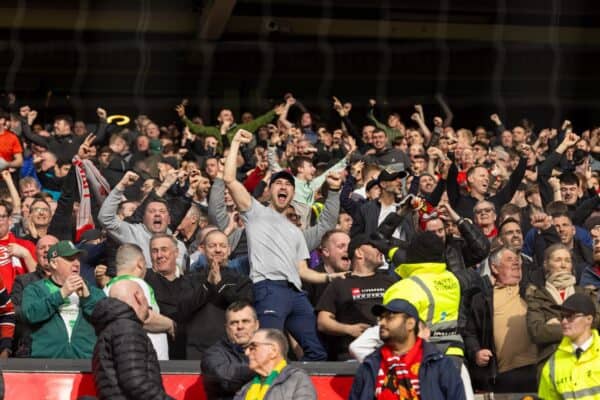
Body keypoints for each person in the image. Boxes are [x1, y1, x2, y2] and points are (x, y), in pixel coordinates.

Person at [223, 129, 346, 361]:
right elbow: (229, 179)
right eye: (278, 183)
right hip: (268, 288)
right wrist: (236, 142)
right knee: (267, 348)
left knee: (317, 352)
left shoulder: (295, 231)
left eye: (288, 185)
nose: (284, 187)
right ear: (269, 190)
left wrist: (331, 278)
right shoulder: (255, 211)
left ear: (292, 193)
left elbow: (302, 271)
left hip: (296, 293)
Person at [348, 299, 465, 400]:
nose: (382, 323)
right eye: (381, 318)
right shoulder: (370, 365)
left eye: (389, 317)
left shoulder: (440, 364)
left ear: (410, 324)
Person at [462, 247, 538, 392]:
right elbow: (470, 333)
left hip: (535, 368)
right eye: (510, 260)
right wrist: (476, 352)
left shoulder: (532, 292)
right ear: (494, 268)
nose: (516, 263)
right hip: (502, 374)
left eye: (517, 261)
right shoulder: (482, 299)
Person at [316, 233, 396, 360]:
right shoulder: (340, 283)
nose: (380, 249)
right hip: (352, 356)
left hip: (389, 353)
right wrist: (348, 329)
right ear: (359, 253)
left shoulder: (391, 281)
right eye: (374, 246)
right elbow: (323, 321)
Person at [21, 240, 105, 358]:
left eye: (78, 259)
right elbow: (29, 315)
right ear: (54, 263)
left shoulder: (93, 291)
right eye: (70, 259)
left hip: (86, 365)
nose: (76, 263)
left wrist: (88, 299)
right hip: (47, 365)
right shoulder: (35, 289)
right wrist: (61, 294)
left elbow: (106, 318)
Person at [92, 279, 173, 400]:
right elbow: (135, 382)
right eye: (147, 300)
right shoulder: (127, 328)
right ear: (138, 297)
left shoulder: (108, 330)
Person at [526, 243, 600, 375]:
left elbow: (596, 321)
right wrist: (579, 324)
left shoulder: (586, 293)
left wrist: (556, 326)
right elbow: (536, 332)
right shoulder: (536, 297)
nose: (563, 265)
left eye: (567, 260)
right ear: (546, 264)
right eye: (558, 260)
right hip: (551, 363)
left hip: (587, 360)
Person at [178, 230, 253, 359]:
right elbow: (184, 308)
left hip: (233, 348)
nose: (218, 250)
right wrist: (208, 284)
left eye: (222, 246)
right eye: (212, 246)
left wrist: (220, 284)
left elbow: (243, 307)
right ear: (202, 249)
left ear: (229, 250)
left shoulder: (241, 280)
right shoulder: (190, 279)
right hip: (197, 349)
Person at [98, 171, 188, 269]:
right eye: (152, 211)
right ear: (143, 218)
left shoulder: (179, 246)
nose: (157, 214)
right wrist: (121, 186)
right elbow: (105, 219)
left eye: (162, 211)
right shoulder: (133, 233)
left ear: (169, 219)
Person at [102, 243, 174, 360]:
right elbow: (143, 318)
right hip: (148, 360)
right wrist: (170, 325)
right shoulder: (138, 284)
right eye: (145, 264)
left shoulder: (106, 288)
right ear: (140, 263)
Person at [538, 293, 600, 399]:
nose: (564, 321)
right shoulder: (552, 364)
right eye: (562, 316)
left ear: (589, 319)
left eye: (571, 316)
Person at [234, 328, 317, 400]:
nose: (246, 352)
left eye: (253, 347)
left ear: (273, 351)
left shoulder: (297, 379)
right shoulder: (246, 388)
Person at [11, 234, 58, 356]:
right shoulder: (23, 281)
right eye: (42, 248)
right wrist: (37, 312)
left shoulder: (72, 281)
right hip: (31, 348)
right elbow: (13, 311)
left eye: (51, 246)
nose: (47, 250)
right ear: (36, 254)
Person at [202, 301, 259, 400]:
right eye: (234, 323)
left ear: (256, 324)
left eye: (245, 321)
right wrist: (260, 368)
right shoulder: (213, 354)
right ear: (227, 328)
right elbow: (222, 375)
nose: (240, 327)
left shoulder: (269, 349)